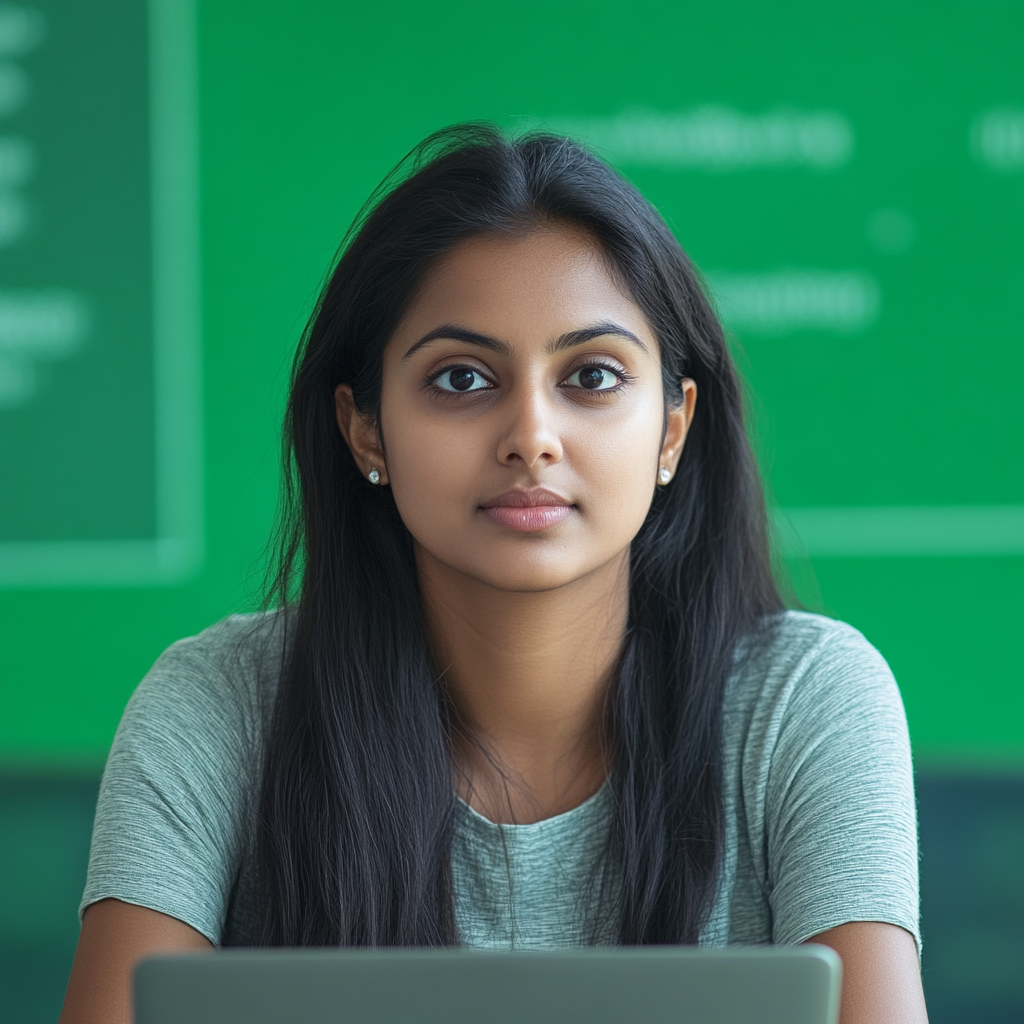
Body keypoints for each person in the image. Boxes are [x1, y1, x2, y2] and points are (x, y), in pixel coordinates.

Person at [59, 124, 928, 1024]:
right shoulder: (216, 707)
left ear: (672, 429)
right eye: (462, 380)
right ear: (365, 431)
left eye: (591, 375)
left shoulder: (808, 703)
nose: (531, 437)